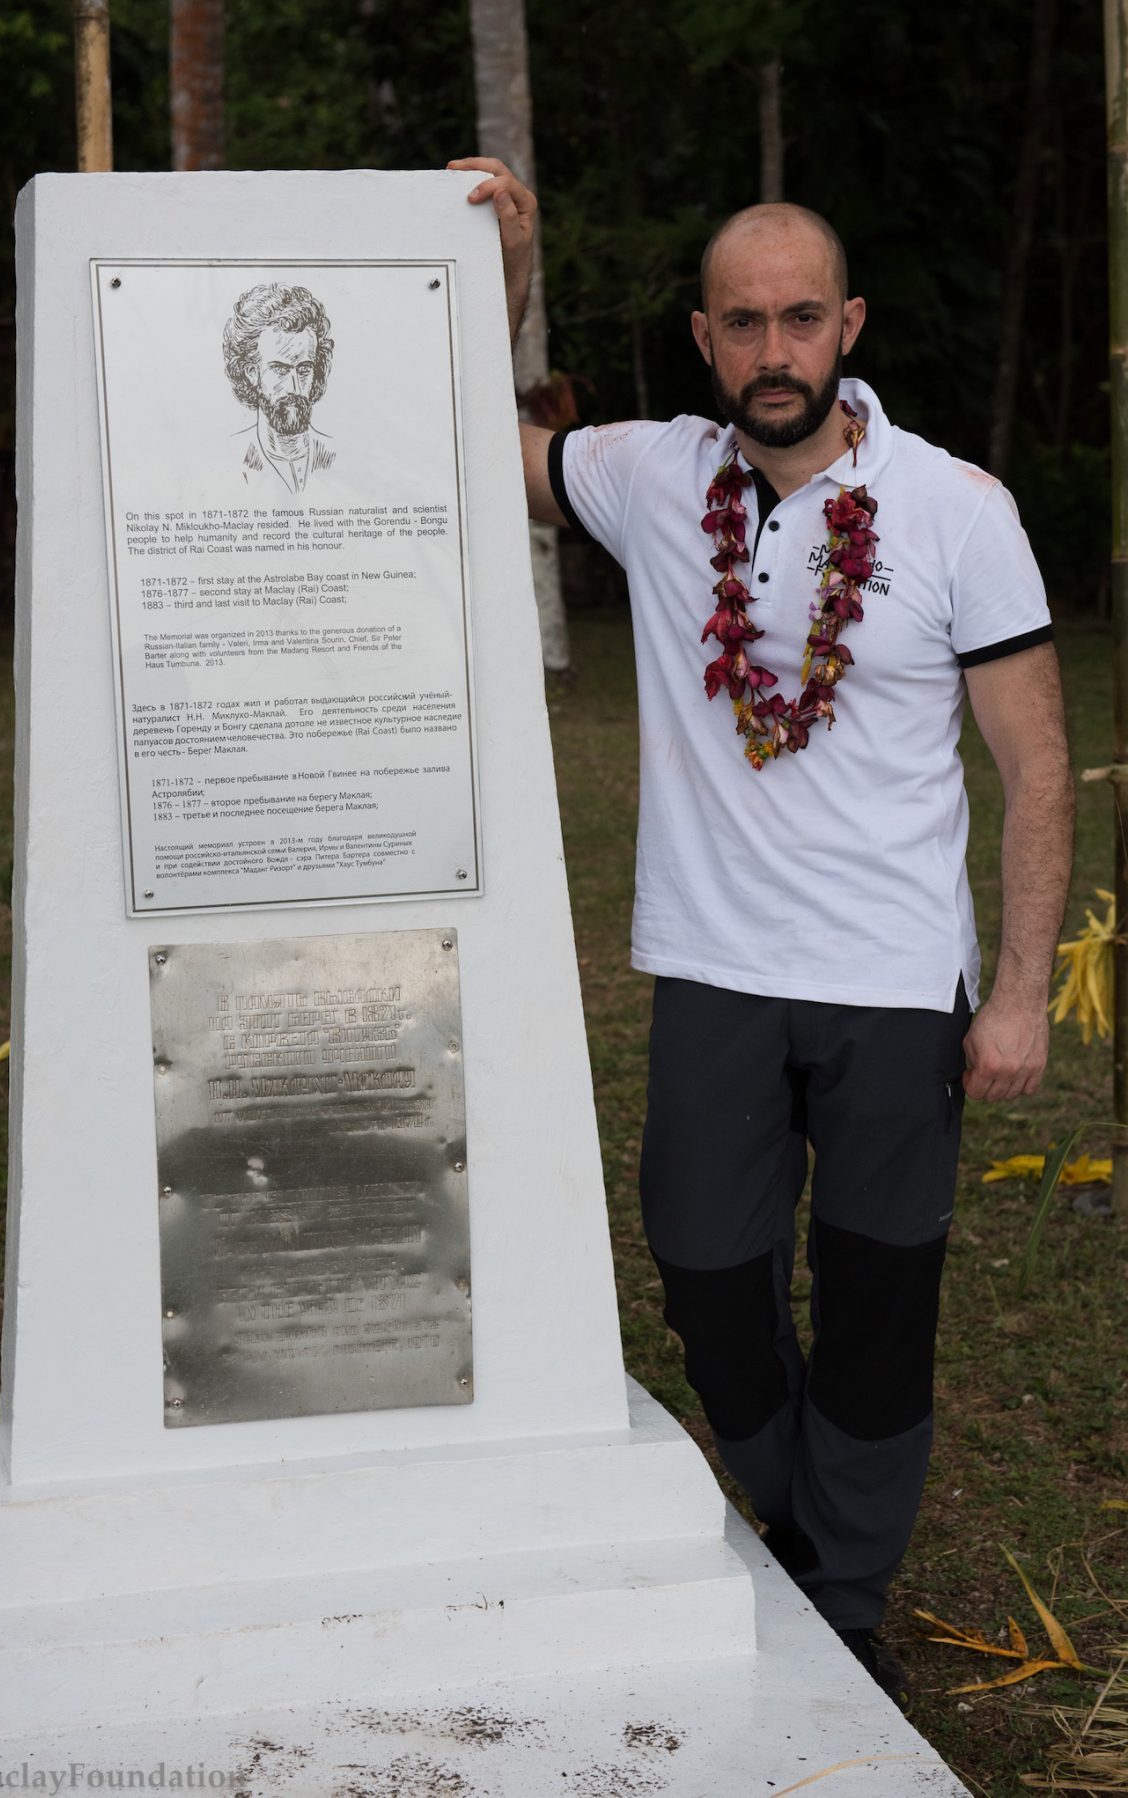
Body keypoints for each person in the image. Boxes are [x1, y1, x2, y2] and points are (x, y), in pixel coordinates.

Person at [449, 156, 1075, 1709]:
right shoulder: (658, 478)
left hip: (889, 983)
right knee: (706, 1273)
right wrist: (510, 269)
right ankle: (799, 1521)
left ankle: (841, 1594)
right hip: (716, 969)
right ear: (705, 338)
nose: (778, 348)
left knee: (877, 1301)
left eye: (804, 317)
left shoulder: (957, 510)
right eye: (746, 323)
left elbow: (1036, 763)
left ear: (847, 322)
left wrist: (1016, 995)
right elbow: (481, 439)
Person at [222, 282, 336, 495]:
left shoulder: (337, 455)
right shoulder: (228, 457)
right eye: (280, 370)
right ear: (251, 372)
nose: (294, 387)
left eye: (304, 370)